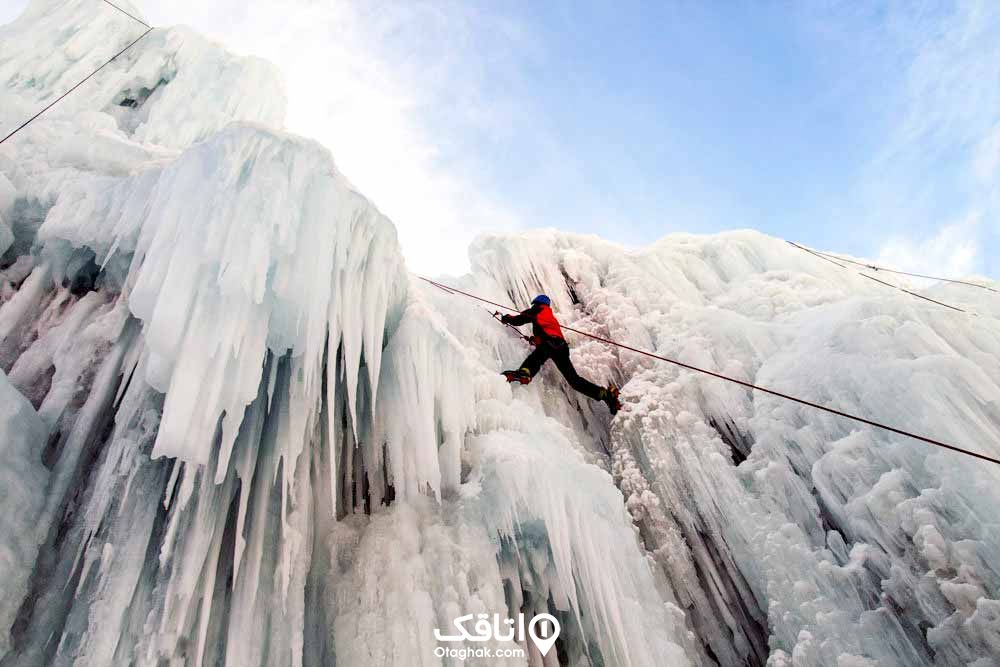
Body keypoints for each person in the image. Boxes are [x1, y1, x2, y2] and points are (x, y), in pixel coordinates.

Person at [500, 294, 622, 415]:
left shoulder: (538, 309)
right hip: (561, 347)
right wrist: (535, 340)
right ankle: (605, 395)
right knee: (574, 380)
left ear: (537, 303)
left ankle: (525, 373)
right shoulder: (550, 316)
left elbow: (520, 319)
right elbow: (546, 332)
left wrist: (506, 318)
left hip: (549, 343)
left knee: (536, 357)